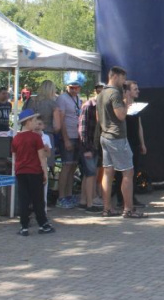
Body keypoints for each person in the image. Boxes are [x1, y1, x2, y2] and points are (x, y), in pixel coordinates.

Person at [98, 66, 146, 219]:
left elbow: (99, 118)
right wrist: (126, 105)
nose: (124, 82)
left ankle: (107, 209)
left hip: (105, 136)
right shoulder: (115, 94)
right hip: (117, 137)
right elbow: (121, 116)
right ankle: (128, 209)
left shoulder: (102, 93)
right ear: (116, 76)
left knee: (107, 173)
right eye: (123, 78)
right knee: (128, 173)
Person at [12, 109, 54, 236]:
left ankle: (24, 226)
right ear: (28, 121)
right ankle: (43, 224)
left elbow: (15, 156)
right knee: (38, 199)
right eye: (34, 120)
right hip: (34, 171)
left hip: (21, 171)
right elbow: (41, 156)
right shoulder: (36, 137)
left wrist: (16, 169)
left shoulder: (16, 138)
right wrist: (45, 172)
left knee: (23, 199)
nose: (36, 123)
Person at [116, 80, 148, 208]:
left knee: (134, 170)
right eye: (135, 89)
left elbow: (139, 126)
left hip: (134, 142)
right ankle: (120, 199)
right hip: (124, 142)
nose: (138, 91)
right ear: (127, 91)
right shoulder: (121, 106)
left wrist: (142, 143)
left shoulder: (136, 106)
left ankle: (132, 197)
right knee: (122, 172)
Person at [56, 76, 85, 209]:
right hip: (67, 136)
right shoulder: (62, 98)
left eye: (76, 87)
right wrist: (66, 138)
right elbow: (61, 120)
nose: (74, 89)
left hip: (77, 136)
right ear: (67, 86)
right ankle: (61, 197)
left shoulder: (78, 98)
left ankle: (69, 194)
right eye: (71, 87)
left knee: (73, 167)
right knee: (66, 166)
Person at [77, 85, 102, 212]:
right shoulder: (88, 106)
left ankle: (83, 200)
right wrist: (86, 148)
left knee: (89, 175)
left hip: (95, 145)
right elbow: (83, 128)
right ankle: (89, 204)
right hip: (88, 146)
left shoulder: (100, 106)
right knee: (90, 174)